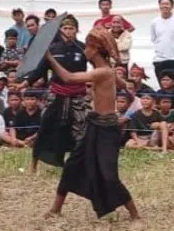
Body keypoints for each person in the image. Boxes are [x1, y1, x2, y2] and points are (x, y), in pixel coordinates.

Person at [41, 27, 139, 221]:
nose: (84, 50)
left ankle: (135, 215)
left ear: (94, 49)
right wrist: (119, 91)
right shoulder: (106, 71)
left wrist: (50, 58)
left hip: (107, 129)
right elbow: (122, 85)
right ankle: (55, 209)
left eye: (86, 46)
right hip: (94, 125)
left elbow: (68, 78)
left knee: (108, 175)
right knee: (72, 166)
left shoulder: (102, 72)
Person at [31, 15, 89, 173]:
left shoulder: (83, 48)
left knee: (81, 128)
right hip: (56, 92)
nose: (68, 31)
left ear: (77, 30)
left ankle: (78, 163)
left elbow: (97, 64)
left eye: (71, 28)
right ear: (60, 30)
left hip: (78, 94)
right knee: (46, 125)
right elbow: (40, 70)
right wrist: (25, 82)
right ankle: (34, 163)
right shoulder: (52, 49)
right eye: (65, 28)